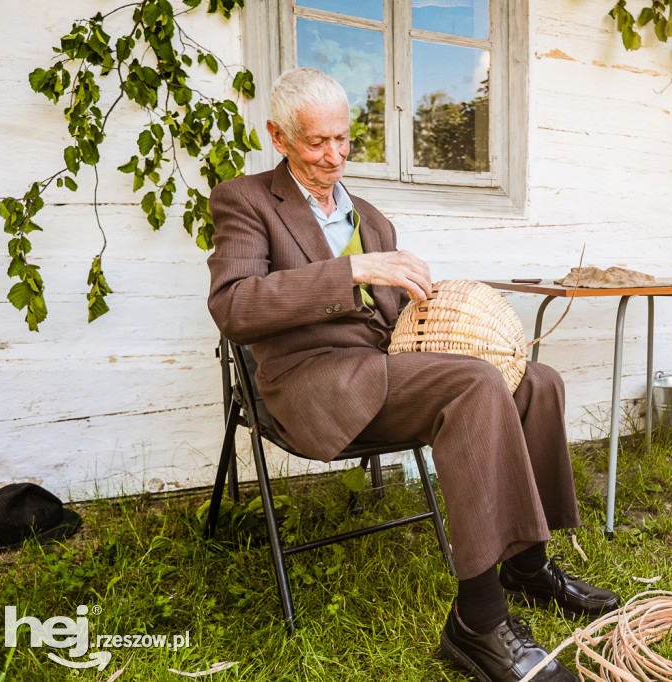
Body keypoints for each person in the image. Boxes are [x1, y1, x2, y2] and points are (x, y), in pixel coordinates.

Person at [207, 67, 619, 682]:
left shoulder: (372, 218)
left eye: (343, 139)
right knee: (475, 384)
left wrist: (439, 306)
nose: (335, 155)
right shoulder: (246, 200)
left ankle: (527, 566)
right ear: (279, 136)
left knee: (537, 381)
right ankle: (478, 623)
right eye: (317, 142)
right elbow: (233, 304)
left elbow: (399, 322)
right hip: (313, 384)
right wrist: (351, 272)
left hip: (384, 370)